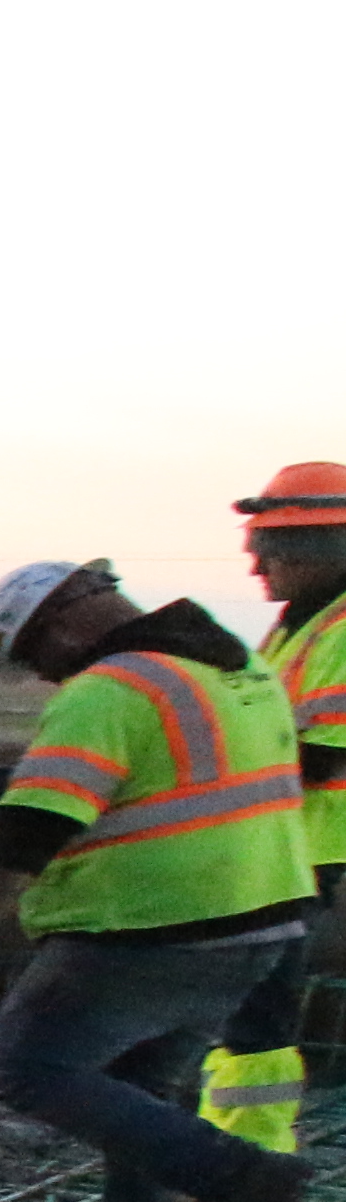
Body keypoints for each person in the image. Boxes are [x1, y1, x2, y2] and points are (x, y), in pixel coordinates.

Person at [0, 561, 322, 1202]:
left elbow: (35, 829)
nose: (47, 679)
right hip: (258, 920)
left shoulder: (111, 686)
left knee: (30, 1068)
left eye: (38, 659)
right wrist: (22, 778)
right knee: (138, 1097)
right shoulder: (235, 668)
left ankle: (239, 1178)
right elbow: (166, 776)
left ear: (67, 624)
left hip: (151, 927)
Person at [201, 465, 346, 1162]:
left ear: (325, 550)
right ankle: (230, 1154)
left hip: (301, 849)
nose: (257, 565)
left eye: (272, 548)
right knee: (242, 1013)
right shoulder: (299, 626)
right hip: (277, 846)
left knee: (257, 1015)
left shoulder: (340, 630)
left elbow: (321, 754)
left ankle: (248, 1161)